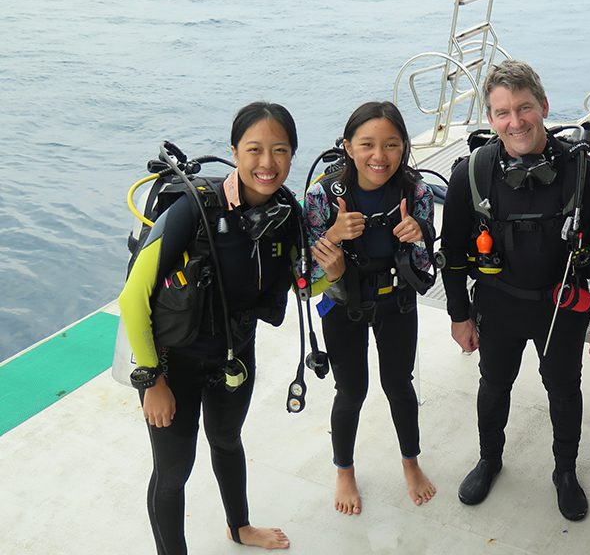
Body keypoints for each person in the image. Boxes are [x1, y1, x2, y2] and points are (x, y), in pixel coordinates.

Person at [438, 59, 590, 522]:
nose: (515, 121)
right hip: (498, 303)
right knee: (494, 385)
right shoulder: (473, 173)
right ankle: (490, 459)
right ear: (490, 118)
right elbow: (453, 252)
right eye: (502, 112)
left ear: (543, 106)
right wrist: (459, 315)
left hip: (561, 305)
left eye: (524, 108)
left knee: (564, 389)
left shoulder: (586, 175)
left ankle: (565, 471)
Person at [118, 102, 299, 553]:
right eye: (255, 149)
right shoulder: (192, 209)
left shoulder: (284, 216)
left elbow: (299, 282)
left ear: (292, 155)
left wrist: (329, 270)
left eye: (280, 150)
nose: (267, 163)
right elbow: (132, 298)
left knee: (226, 440)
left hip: (235, 356)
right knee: (174, 470)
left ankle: (240, 527)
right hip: (171, 364)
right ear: (235, 151)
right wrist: (152, 380)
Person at [304, 101, 436, 515]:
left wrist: (419, 235)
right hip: (344, 305)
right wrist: (333, 236)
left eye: (392, 145)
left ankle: (411, 464)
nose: (380, 156)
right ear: (347, 146)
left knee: (399, 386)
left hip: (397, 302)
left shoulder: (415, 191)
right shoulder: (323, 194)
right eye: (367, 144)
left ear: (403, 148)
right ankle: (344, 471)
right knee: (351, 391)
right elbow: (304, 275)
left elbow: (423, 266)